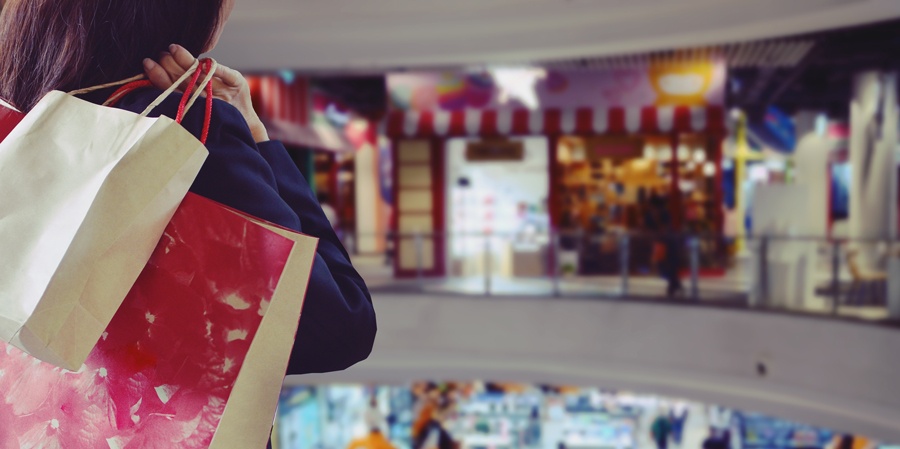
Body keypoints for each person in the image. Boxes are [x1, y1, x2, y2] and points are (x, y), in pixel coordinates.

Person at [0, 0, 376, 375]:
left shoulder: (19, 115)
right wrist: (257, 137)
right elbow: (339, 327)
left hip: (29, 426)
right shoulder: (189, 132)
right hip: (140, 426)